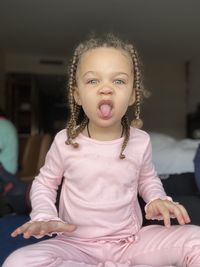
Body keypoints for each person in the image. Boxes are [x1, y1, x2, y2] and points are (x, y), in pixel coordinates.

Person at [3, 33, 200, 267]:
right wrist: (45, 215)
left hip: (130, 242)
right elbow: (45, 183)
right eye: (93, 81)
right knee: (18, 261)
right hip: (75, 244)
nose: (105, 89)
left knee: (195, 238)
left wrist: (156, 199)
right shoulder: (65, 140)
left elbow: (147, 179)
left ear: (132, 95)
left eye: (118, 81)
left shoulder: (140, 141)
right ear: (77, 94)